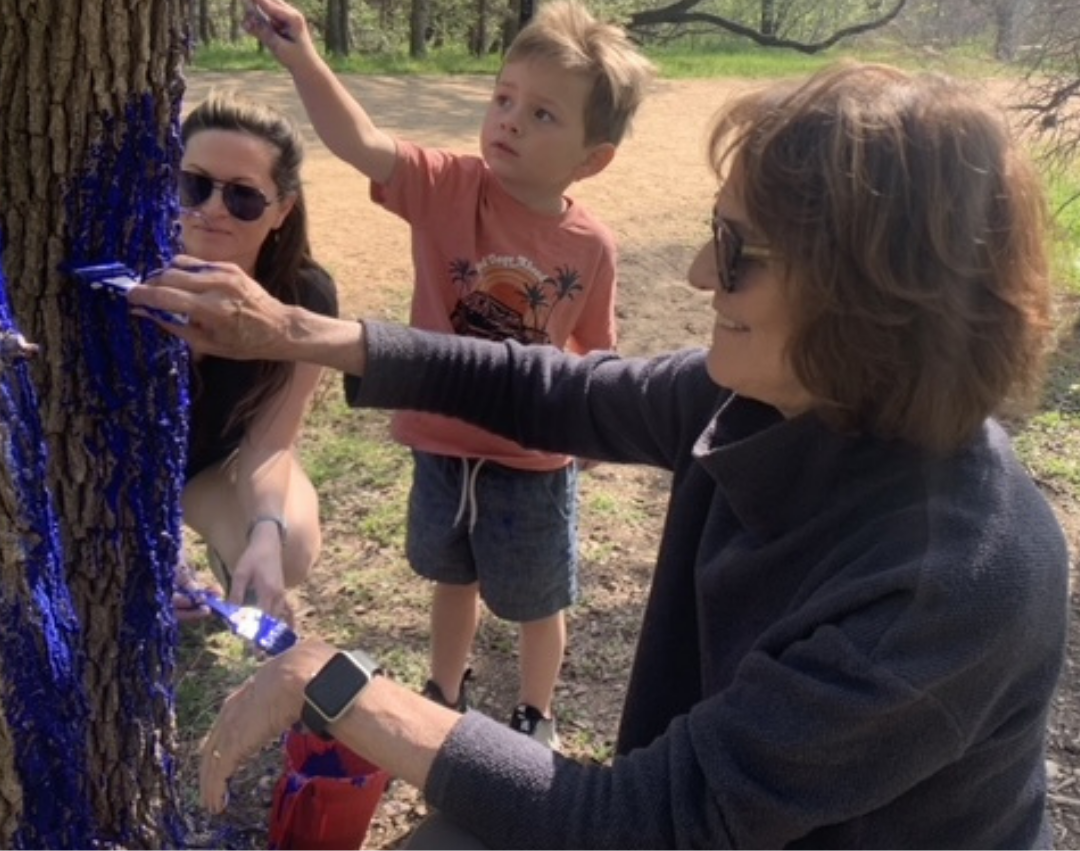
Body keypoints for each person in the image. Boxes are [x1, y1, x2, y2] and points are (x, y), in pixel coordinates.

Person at [132, 62, 1069, 848]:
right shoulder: (768, 398)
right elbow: (552, 390)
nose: (699, 275)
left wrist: (336, 681)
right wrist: (296, 330)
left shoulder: (948, 582)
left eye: (736, 250)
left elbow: (648, 823)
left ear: (869, 296)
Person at [240, 0, 655, 746]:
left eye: (543, 114)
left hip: (531, 461)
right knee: (451, 578)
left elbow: (594, 351)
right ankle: (444, 692)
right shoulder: (447, 187)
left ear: (592, 160)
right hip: (440, 442)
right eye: (504, 98)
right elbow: (362, 142)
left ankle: (535, 714)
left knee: (537, 601)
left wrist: (593, 429)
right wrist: (302, 57)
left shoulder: (590, 246)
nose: (510, 120)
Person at [172, 91, 338, 623]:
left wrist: (265, 530)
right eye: (194, 185)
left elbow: (269, 441)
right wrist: (155, 551)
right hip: (109, 469)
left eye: (243, 197)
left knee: (288, 546)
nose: (212, 209)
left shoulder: (304, 296)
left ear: (281, 210)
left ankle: (241, 571)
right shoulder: (125, 274)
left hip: (211, 465)